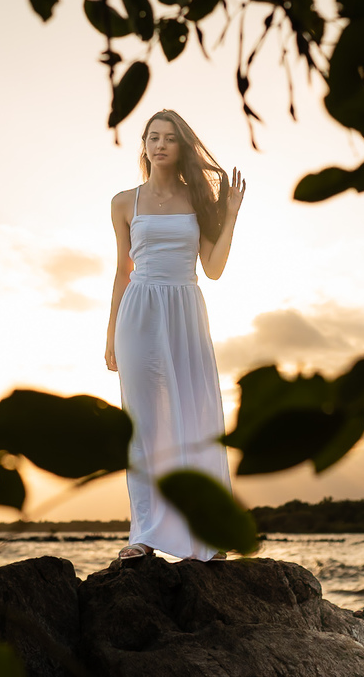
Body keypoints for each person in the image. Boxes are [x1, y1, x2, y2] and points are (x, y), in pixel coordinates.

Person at [104, 108, 246, 562]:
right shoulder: (124, 202)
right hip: (139, 311)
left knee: (194, 415)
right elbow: (122, 271)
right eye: (152, 137)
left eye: (169, 138)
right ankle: (142, 534)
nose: (160, 144)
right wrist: (110, 337)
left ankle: (204, 533)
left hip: (185, 307)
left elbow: (215, 268)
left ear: (182, 146)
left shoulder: (198, 197)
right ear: (143, 145)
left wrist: (231, 216)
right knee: (144, 424)